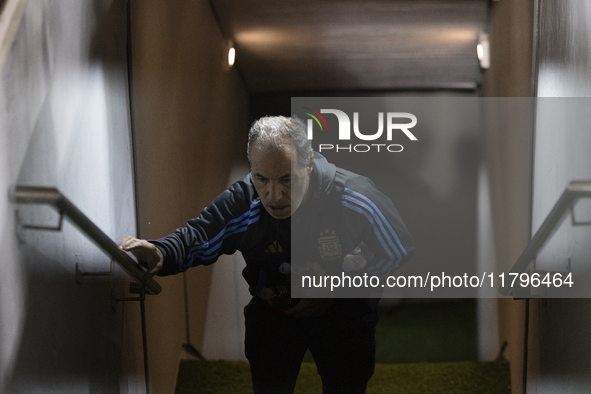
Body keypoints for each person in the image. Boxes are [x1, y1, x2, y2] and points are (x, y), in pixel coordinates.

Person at [119, 116, 415, 394]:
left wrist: (340, 285)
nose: (273, 196)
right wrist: (161, 251)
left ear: (309, 164)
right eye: (261, 178)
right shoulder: (245, 199)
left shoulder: (355, 197)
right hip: (275, 312)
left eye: (287, 179)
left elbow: (396, 249)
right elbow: (200, 234)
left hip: (344, 316)